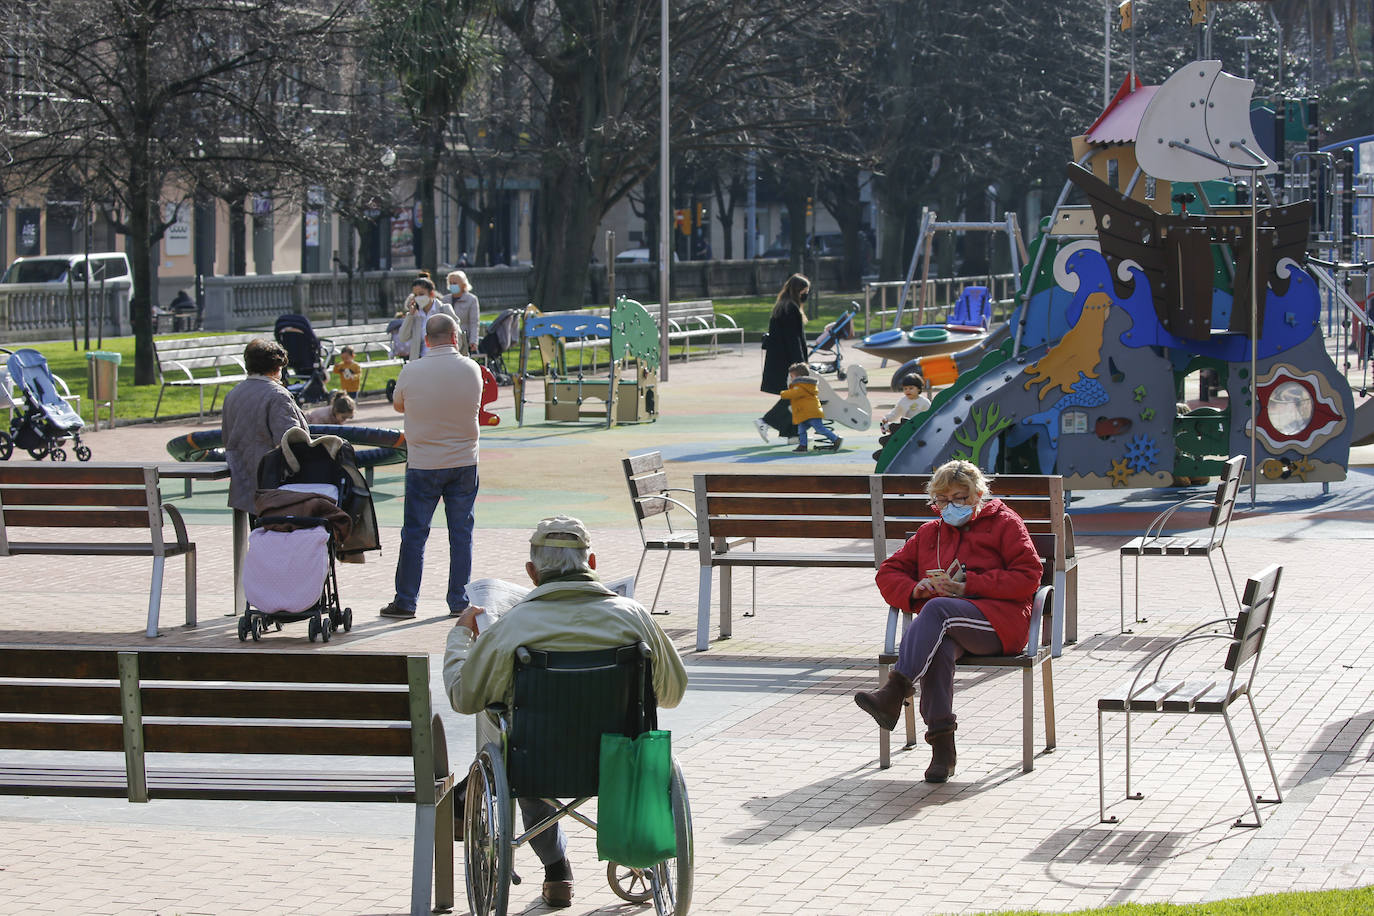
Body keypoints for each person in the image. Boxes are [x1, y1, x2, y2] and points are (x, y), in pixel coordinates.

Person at [443, 515, 687, 909]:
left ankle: (557, 868)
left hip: (538, 763)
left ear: (532, 573)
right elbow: (673, 692)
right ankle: (592, 859)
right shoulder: (634, 616)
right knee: (529, 736)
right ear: (591, 564)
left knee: (515, 736)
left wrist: (461, 638)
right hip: (621, 761)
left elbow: (463, 698)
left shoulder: (511, 626)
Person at [854, 460, 1041, 783]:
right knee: (938, 648)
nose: (950, 506)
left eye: (959, 498)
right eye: (942, 500)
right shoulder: (930, 533)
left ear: (978, 494)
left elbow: (1028, 576)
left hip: (999, 623)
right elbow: (888, 572)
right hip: (946, 626)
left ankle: (894, 692)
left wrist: (970, 586)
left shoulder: (1005, 524)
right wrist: (915, 588)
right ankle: (942, 748)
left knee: (938, 609)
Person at [379, 314, 483, 619]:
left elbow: (399, 404)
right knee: (461, 534)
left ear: (426, 339)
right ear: (455, 337)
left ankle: (407, 601)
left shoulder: (412, 371)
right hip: (464, 460)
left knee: (414, 533)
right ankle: (458, 599)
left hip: (424, 462)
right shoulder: (472, 369)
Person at [221, 339, 307, 516]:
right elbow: (290, 440)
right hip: (274, 483)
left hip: (242, 480)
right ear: (277, 368)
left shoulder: (233, 394)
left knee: (259, 535)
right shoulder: (277, 395)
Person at [755, 273, 809, 443]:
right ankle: (766, 421)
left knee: (795, 396)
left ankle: (792, 433)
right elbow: (794, 339)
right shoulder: (791, 309)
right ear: (798, 291)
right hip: (788, 362)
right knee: (795, 396)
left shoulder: (782, 307)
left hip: (778, 361)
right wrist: (800, 364)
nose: (806, 296)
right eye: (805, 292)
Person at [779, 362, 842, 453]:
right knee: (801, 430)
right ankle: (803, 446)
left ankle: (836, 439)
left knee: (819, 428)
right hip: (804, 413)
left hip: (811, 413)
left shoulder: (801, 386)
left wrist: (783, 393)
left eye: (792, 376)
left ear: (798, 376)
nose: (791, 379)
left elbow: (794, 393)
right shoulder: (802, 385)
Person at [397, 277, 457, 361]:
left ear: (431, 294)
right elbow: (403, 337)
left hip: (444, 360)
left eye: (421, 294)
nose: (418, 298)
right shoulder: (415, 315)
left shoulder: (444, 309)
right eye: (415, 295)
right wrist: (410, 315)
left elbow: (458, 337)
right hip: (421, 361)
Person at [445, 270, 481, 356]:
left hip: (464, 339)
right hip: (447, 339)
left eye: (455, 283)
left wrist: (473, 341)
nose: (452, 285)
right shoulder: (445, 300)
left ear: (463, 285)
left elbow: (474, 322)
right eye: (451, 283)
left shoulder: (471, 299)